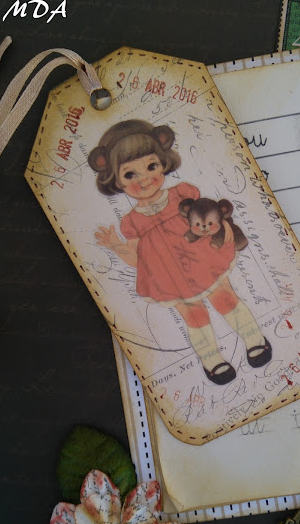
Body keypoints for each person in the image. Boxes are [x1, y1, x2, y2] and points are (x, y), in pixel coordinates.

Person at [89, 119, 271, 385]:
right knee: (193, 314)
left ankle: (254, 339)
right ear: (116, 180)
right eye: (130, 174)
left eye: (151, 166)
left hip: (203, 259)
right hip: (170, 278)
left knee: (224, 297)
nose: (144, 179)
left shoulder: (181, 196)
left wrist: (224, 231)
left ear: (163, 163)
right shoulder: (131, 222)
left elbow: (207, 215)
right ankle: (212, 360)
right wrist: (116, 245)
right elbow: (138, 260)